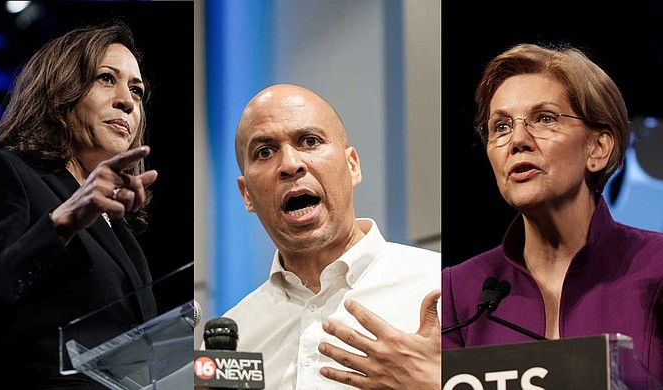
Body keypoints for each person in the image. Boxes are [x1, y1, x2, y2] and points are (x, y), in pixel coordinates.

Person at [442, 43, 663, 384]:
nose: (518, 140)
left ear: (598, 148)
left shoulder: (657, 266)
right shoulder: (458, 291)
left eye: (544, 119)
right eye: (500, 127)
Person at [217, 83, 441, 389]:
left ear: (352, 165)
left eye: (309, 141)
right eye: (265, 152)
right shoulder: (234, 338)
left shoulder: (440, 286)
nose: (290, 164)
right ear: (247, 195)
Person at [0, 21, 159, 388]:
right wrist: (64, 221)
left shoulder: (120, 230)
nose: (127, 101)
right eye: (105, 78)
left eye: (137, 89)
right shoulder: (9, 173)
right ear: (59, 92)